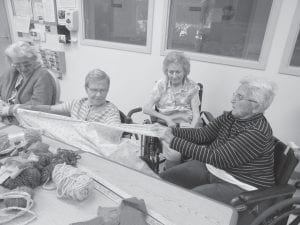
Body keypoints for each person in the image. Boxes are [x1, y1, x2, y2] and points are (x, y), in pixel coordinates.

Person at [153, 76, 278, 204]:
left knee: (187, 202)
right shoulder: (232, 116)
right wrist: (169, 131)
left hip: (240, 183)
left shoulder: (256, 132)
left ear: (256, 107)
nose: (232, 100)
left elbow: (217, 158)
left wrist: (173, 140)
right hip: (216, 170)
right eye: (235, 94)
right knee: (163, 179)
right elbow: (202, 135)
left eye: (239, 97)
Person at [22, 69, 121, 124]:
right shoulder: (77, 103)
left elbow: (113, 134)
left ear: (108, 90)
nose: (99, 95)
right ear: (86, 89)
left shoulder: (111, 112)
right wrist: (23, 108)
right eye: (94, 90)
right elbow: (50, 109)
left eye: (103, 90)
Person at [0, 41, 56, 123]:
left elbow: (40, 105)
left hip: (27, 122)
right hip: (5, 118)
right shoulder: (11, 71)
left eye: (27, 64)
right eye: (17, 65)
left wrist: (10, 110)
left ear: (34, 59)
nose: (23, 68)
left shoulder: (43, 76)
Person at [142, 51, 202, 128]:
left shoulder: (192, 86)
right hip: (165, 125)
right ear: (166, 71)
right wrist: (167, 119)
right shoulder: (161, 85)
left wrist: (191, 131)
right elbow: (146, 108)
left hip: (187, 125)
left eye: (178, 72)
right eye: (171, 72)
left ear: (185, 71)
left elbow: (196, 115)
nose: (174, 76)